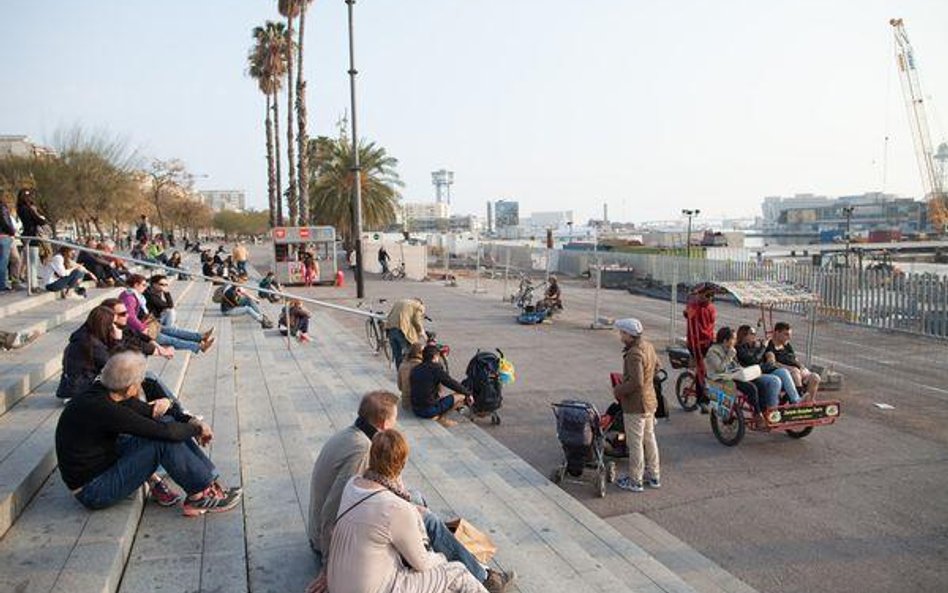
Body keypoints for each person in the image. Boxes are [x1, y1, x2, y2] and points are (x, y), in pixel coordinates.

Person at [304, 392, 513, 593]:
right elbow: (330, 514)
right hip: (333, 545)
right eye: (395, 419)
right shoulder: (362, 450)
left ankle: (427, 545)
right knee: (429, 520)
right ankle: (482, 578)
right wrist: (327, 568)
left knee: (416, 497)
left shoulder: (352, 435)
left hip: (357, 523)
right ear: (384, 425)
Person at [54, 351, 241, 515]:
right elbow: (164, 433)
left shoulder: (106, 392)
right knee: (161, 440)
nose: (141, 384)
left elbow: (153, 413)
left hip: (105, 464)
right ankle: (199, 495)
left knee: (165, 424)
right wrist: (197, 429)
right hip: (94, 490)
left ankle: (206, 485)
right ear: (130, 388)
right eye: (139, 382)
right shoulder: (105, 409)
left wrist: (192, 421)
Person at [326, 429, 493, 593]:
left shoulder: (353, 484)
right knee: (458, 573)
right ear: (402, 464)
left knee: (416, 500)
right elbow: (422, 563)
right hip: (377, 587)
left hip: (338, 583)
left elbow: (381, 503)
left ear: (371, 457)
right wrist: (443, 558)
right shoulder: (396, 508)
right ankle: (482, 578)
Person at [612, 318, 661, 493]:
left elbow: (636, 382)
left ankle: (635, 480)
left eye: (622, 333)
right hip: (650, 401)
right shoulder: (648, 346)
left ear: (628, 334)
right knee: (649, 439)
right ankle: (654, 475)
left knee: (635, 443)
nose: (620, 335)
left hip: (636, 405)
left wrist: (619, 390)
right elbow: (657, 367)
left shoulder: (633, 354)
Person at [705, 327, 781, 429]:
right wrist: (730, 356)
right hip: (721, 378)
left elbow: (736, 365)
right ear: (725, 340)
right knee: (751, 388)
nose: (735, 341)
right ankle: (758, 414)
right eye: (733, 339)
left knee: (761, 385)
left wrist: (743, 370)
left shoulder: (730, 349)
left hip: (734, 375)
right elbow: (720, 369)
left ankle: (765, 413)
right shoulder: (713, 352)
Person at [123, 274, 212, 354]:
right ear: (136, 285)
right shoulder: (130, 297)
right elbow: (130, 317)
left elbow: (168, 306)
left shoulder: (135, 295)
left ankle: (200, 337)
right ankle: (199, 346)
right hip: (141, 329)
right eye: (143, 285)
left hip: (149, 323)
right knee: (171, 340)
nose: (145, 287)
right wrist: (142, 328)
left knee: (172, 331)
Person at [56, 306, 119, 400]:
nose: (115, 327)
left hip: (74, 384)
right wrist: (117, 341)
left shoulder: (85, 334)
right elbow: (114, 364)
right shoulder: (90, 343)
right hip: (79, 388)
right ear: (105, 324)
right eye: (113, 323)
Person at [735, 325, 802, 404]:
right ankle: (772, 409)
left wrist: (764, 348)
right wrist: (763, 347)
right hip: (752, 374)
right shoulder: (739, 348)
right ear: (744, 335)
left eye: (755, 333)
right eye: (752, 333)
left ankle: (796, 400)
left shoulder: (755, 345)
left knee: (783, 371)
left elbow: (767, 354)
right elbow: (753, 361)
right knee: (775, 380)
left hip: (763, 370)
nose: (754, 336)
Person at [410, 345, 471, 427]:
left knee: (439, 395)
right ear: (435, 357)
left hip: (415, 409)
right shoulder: (435, 368)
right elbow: (451, 383)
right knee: (461, 396)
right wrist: (468, 393)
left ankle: (436, 415)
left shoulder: (416, 368)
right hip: (428, 410)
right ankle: (440, 418)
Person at [684, 283, 717, 414]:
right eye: (707, 295)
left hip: (708, 341)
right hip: (695, 343)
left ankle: (712, 391)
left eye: (711, 295)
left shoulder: (711, 308)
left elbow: (711, 323)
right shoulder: (694, 306)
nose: (709, 298)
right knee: (701, 370)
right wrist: (695, 299)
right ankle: (701, 400)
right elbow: (688, 313)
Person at [765, 322, 820, 400]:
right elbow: (772, 363)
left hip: (798, 370)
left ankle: (809, 403)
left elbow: (794, 358)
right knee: (795, 372)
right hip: (786, 373)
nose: (789, 338)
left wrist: (800, 365)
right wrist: (790, 368)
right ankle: (799, 397)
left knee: (815, 377)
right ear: (777, 333)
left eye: (790, 335)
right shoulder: (770, 346)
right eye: (786, 334)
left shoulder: (787, 345)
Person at [386, 298, 427, 367]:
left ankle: (400, 374)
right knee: (410, 353)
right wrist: (421, 331)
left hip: (390, 329)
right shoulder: (419, 306)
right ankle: (410, 373)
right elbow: (417, 320)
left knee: (397, 355)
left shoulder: (399, 301)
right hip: (401, 330)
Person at [398, 342, 425, 409]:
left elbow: (400, 386)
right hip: (419, 404)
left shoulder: (402, 365)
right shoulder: (423, 366)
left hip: (405, 403)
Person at [0, 194, 17, 291]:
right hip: (3, 236)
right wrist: (12, 231)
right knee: (3, 262)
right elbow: (5, 222)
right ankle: (1, 285)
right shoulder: (2, 207)